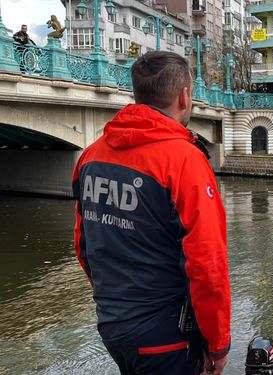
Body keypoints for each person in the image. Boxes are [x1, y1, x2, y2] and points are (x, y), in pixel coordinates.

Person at [71, 51, 230, 375]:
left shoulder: (91, 155)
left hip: (114, 326)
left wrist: (116, 301)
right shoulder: (184, 161)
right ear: (184, 96)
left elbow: (83, 244)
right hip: (167, 337)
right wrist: (218, 343)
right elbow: (207, 263)